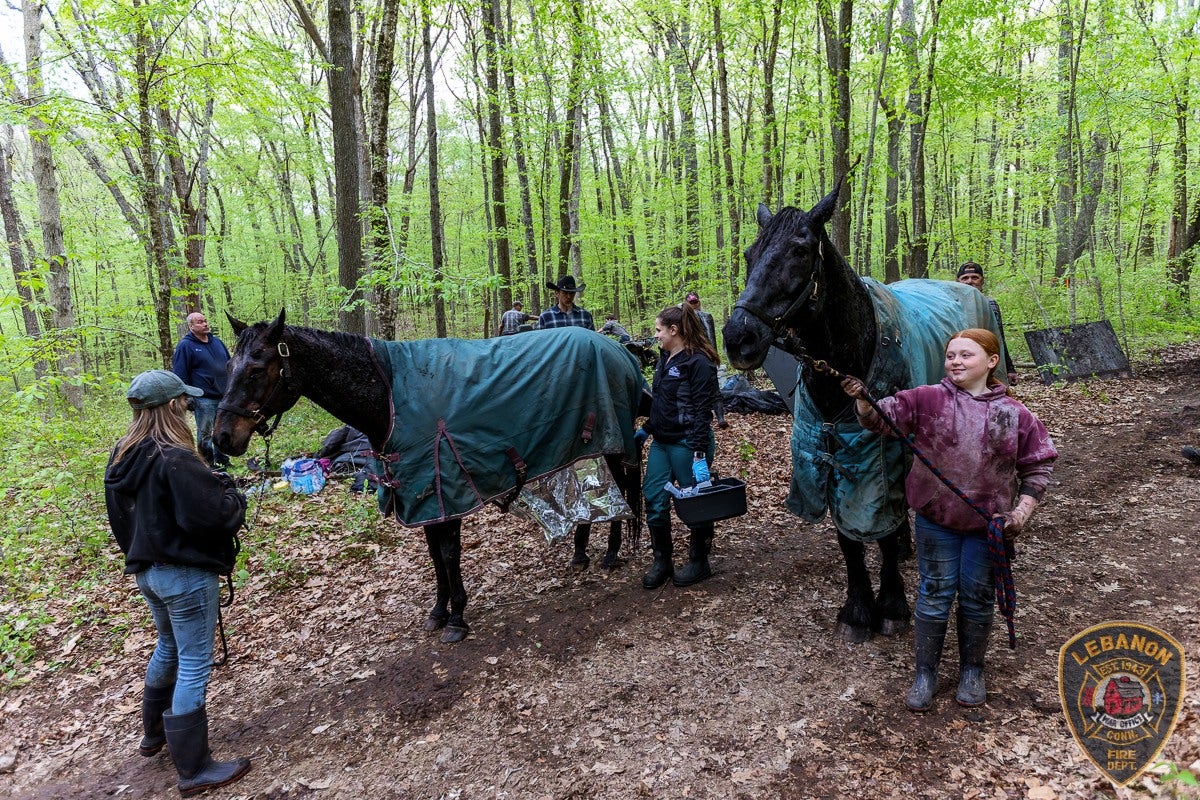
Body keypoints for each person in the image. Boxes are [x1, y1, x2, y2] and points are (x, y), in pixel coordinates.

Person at [840, 329, 1057, 712]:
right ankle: (926, 673)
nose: (955, 361)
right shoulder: (925, 399)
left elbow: (1038, 467)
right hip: (935, 521)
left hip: (987, 528)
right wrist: (861, 400)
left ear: (991, 362)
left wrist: (1021, 513)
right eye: (951, 355)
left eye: (966, 355)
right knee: (935, 595)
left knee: (977, 598)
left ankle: (973, 669)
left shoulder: (1015, 414)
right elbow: (879, 419)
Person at [104, 370, 251, 795]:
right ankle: (194, 768)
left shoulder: (122, 455)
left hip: (147, 572)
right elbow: (213, 517)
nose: (188, 407)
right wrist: (234, 498)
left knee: (168, 647)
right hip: (183, 574)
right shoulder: (175, 456)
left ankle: (154, 735)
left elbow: (122, 520)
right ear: (170, 407)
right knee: (192, 663)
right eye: (183, 402)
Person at [636, 304, 721, 589]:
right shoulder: (664, 357)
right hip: (662, 442)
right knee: (654, 497)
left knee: (695, 503)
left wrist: (698, 453)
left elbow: (701, 411)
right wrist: (647, 429)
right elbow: (661, 402)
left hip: (688, 443)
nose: (656, 335)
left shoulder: (698, 362)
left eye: (659, 330)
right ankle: (663, 560)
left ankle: (699, 561)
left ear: (674, 330)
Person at [172, 311, 232, 467]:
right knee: (205, 432)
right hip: (203, 397)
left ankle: (222, 459)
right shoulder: (185, 346)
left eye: (205, 321)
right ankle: (208, 461)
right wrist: (186, 396)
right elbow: (180, 373)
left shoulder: (217, 342)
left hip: (223, 395)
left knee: (222, 429)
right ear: (191, 326)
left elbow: (230, 364)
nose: (205, 324)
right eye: (200, 322)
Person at [956, 262, 1018, 383]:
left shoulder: (990, 305)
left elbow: (998, 338)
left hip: (982, 362)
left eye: (975, 277)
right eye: (965, 278)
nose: (969, 281)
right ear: (958, 281)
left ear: (982, 281)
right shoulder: (950, 305)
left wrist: (1009, 368)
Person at [684, 291, 728, 428]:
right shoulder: (683, 319)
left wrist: (713, 355)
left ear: (699, 302)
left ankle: (720, 418)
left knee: (714, 389)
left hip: (706, 355)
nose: (694, 305)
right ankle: (700, 420)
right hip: (692, 356)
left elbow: (711, 337)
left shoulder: (707, 316)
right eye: (691, 302)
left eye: (695, 302)